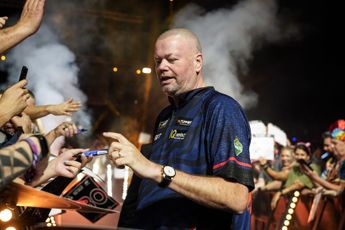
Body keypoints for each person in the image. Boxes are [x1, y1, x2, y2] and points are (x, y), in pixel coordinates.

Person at [104, 28, 254, 229]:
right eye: (158, 61)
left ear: (197, 62)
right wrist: (134, 163)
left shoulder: (221, 108)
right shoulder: (165, 115)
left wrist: (154, 169)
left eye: (171, 59)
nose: (161, 67)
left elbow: (236, 198)